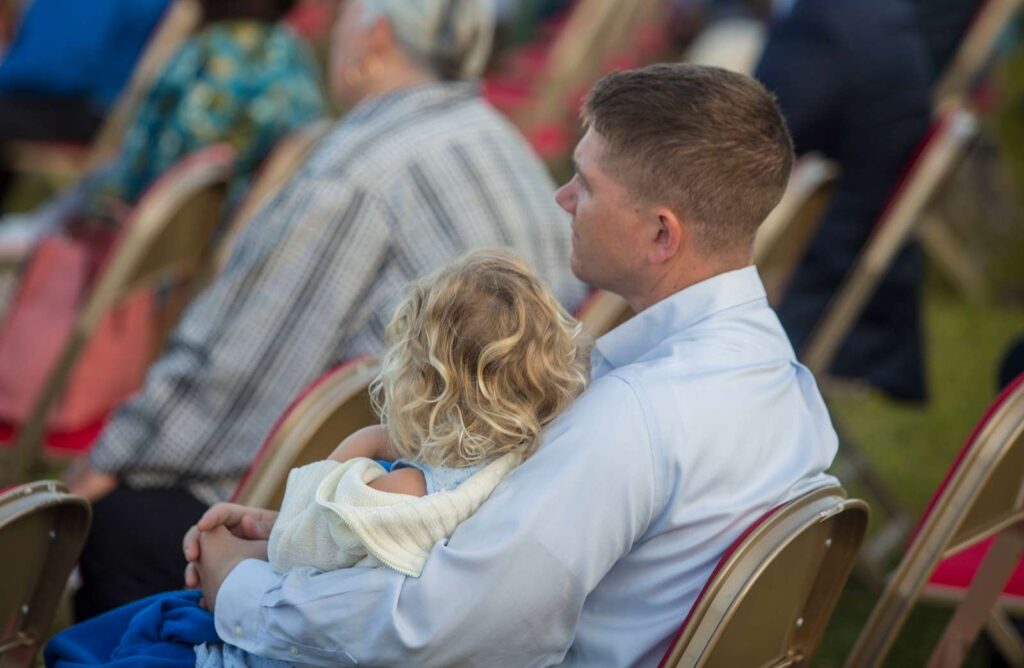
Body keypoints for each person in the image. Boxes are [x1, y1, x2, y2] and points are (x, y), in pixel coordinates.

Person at [178, 63, 839, 666]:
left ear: (662, 234)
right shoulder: (784, 386)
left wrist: (241, 588)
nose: (563, 198)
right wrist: (317, 541)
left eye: (586, 184)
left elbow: (440, 634)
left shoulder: (634, 420)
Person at [68, 0, 586, 620]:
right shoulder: (500, 141)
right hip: (482, 499)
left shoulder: (361, 166)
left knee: (124, 523)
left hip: (388, 515)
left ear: (376, 40)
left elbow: (238, 368)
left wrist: (107, 463)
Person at [45, 248, 588, 668]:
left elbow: (303, 541)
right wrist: (266, 524)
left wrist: (370, 441)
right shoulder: (496, 471)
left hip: (282, 649)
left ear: (420, 381)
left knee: (120, 637)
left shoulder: (393, 493)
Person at [0, 0, 326, 252]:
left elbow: (145, 172)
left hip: (137, 246)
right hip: (202, 248)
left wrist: (78, 210)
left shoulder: (207, 59)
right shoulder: (298, 68)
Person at [755, 0, 932, 400]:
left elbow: (748, 137)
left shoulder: (821, 27)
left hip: (810, 275)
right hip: (858, 262)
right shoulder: (875, 14)